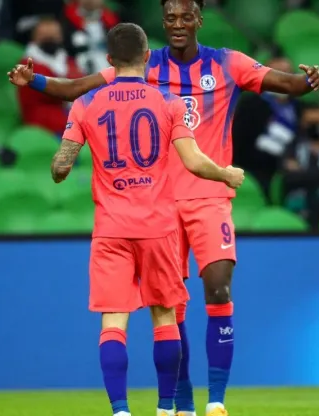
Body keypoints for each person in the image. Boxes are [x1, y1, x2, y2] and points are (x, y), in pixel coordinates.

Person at [8, 2, 319, 414]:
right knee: (170, 308)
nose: (178, 24)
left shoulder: (228, 63)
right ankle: (180, 403)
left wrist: (307, 82)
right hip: (161, 202)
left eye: (185, 17)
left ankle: (215, 400)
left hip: (208, 196)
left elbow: (280, 82)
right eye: (170, 18)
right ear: (162, 24)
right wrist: (34, 82)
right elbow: (74, 88)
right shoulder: (146, 64)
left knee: (218, 286)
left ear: (199, 20)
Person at [50, 23, 245, 416]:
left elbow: (60, 167)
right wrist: (226, 174)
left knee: (113, 323)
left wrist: (65, 161)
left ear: (108, 60)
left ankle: (121, 411)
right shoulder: (169, 102)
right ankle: (165, 408)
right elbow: (192, 161)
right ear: (145, 57)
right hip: (158, 227)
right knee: (165, 316)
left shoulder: (87, 104)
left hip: (111, 229)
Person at [233, 55, 300, 200]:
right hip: (256, 170)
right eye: (278, 72)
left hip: (292, 171)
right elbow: (240, 145)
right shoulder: (251, 104)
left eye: (288, 72)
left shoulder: (299, 108)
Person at [18, 18, 84, 135]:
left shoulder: (67, 61)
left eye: (54, 36)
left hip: (69, 120)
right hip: (43, 127)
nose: (51, 41)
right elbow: (58, 91)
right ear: (35, 38)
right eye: (46, 37)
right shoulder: (27, 66)